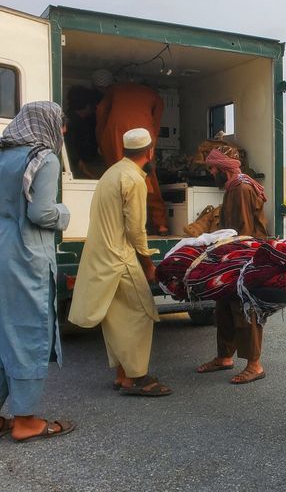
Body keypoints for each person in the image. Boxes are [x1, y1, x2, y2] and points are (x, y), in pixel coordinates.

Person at [69, 128, 172, 397]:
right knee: (141, 313)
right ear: (150, 152)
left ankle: (122, 375)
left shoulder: (111, 173)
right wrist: (148, 264)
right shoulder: (134, 179)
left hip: (101, 256)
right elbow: (135, 230)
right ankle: (136, 378)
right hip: (119, 257)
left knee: (116, 317)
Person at [0, 102, 75, 442]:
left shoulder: (3, 155)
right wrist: (64, 213)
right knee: (29, 329)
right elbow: (41, 213)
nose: (61, 136)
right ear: (48, 125)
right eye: (61, 129)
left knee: (2, 332)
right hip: (25, 254)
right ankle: (25, 421)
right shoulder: (43, 158)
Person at [196, 146, 269, 384]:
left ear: (223, 168)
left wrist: (236, 259)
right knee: (224, 307)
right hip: (232, 256)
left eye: (212, 167)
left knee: (244, 309)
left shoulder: (241, 188)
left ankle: (255, 365)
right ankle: (224, 357)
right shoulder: (234, 187)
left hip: (243, 257)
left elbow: (244, 230)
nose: (211, 172)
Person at [94, 71, 169, 236]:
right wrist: (151, 148)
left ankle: (119, 225)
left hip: (115, 132)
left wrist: (101, 140)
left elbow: (100, 110)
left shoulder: (115, 89)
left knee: (117, 178)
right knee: (148, 177)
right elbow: (155, 125)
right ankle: (161, 224)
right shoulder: (156, 97)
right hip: (144, 134)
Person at [64, 85, 103, 179]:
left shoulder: (85, 120)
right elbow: (69, 147)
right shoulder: (70, 122)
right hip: (76, 169)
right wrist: (80, 163)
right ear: (87, 106)